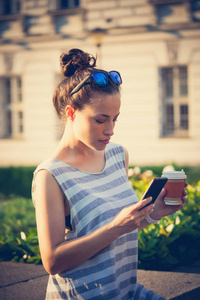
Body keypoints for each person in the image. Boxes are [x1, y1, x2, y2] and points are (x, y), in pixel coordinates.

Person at [32, 48, 187, 300]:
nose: (110, 130)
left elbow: (118, 228)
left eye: (115, 119)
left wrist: (152, 214)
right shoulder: (50, 175)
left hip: (127, 291)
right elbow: (52, 261)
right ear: (71, 114)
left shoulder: (118, 155)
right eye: (100, 120)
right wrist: (115, 227)